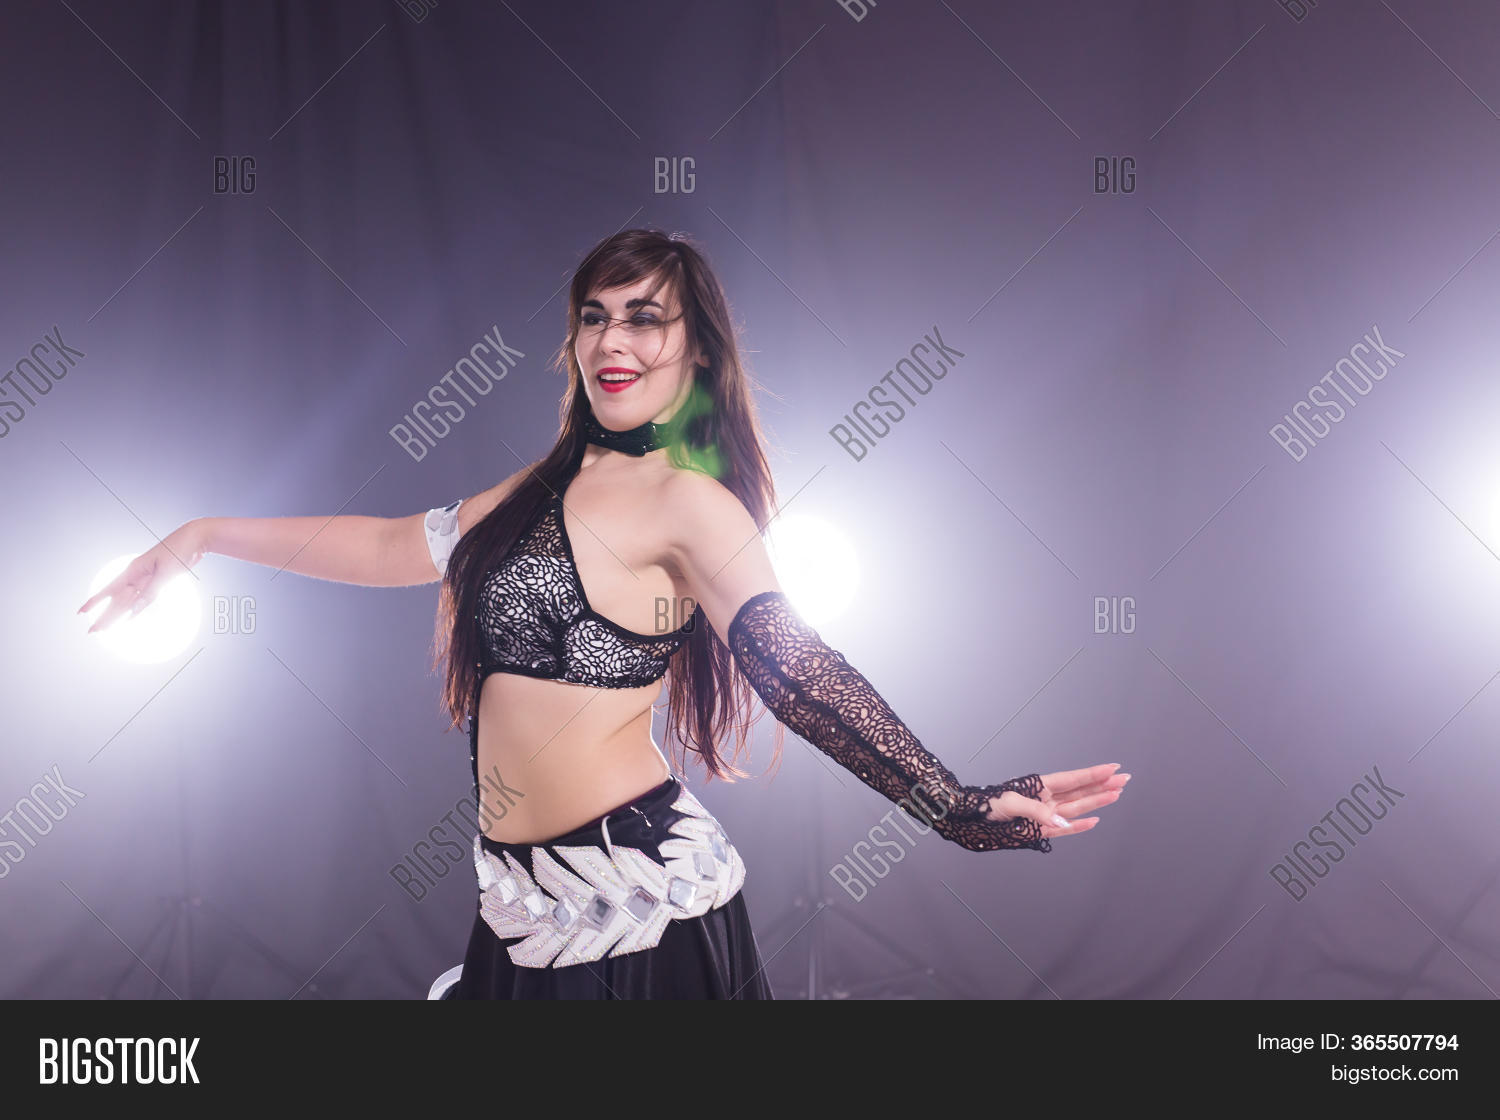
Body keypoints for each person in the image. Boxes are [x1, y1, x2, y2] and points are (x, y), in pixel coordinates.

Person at [78, 228, 1130, 1000]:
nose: (612, 338)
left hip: (640, 911)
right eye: (595, 315)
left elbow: (798, 671)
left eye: (644, 317)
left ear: (697, 350)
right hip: (516, 907)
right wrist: (204, 535)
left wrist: (955, 805)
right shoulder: (537, 487)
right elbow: (392, 544)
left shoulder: (692, 505)